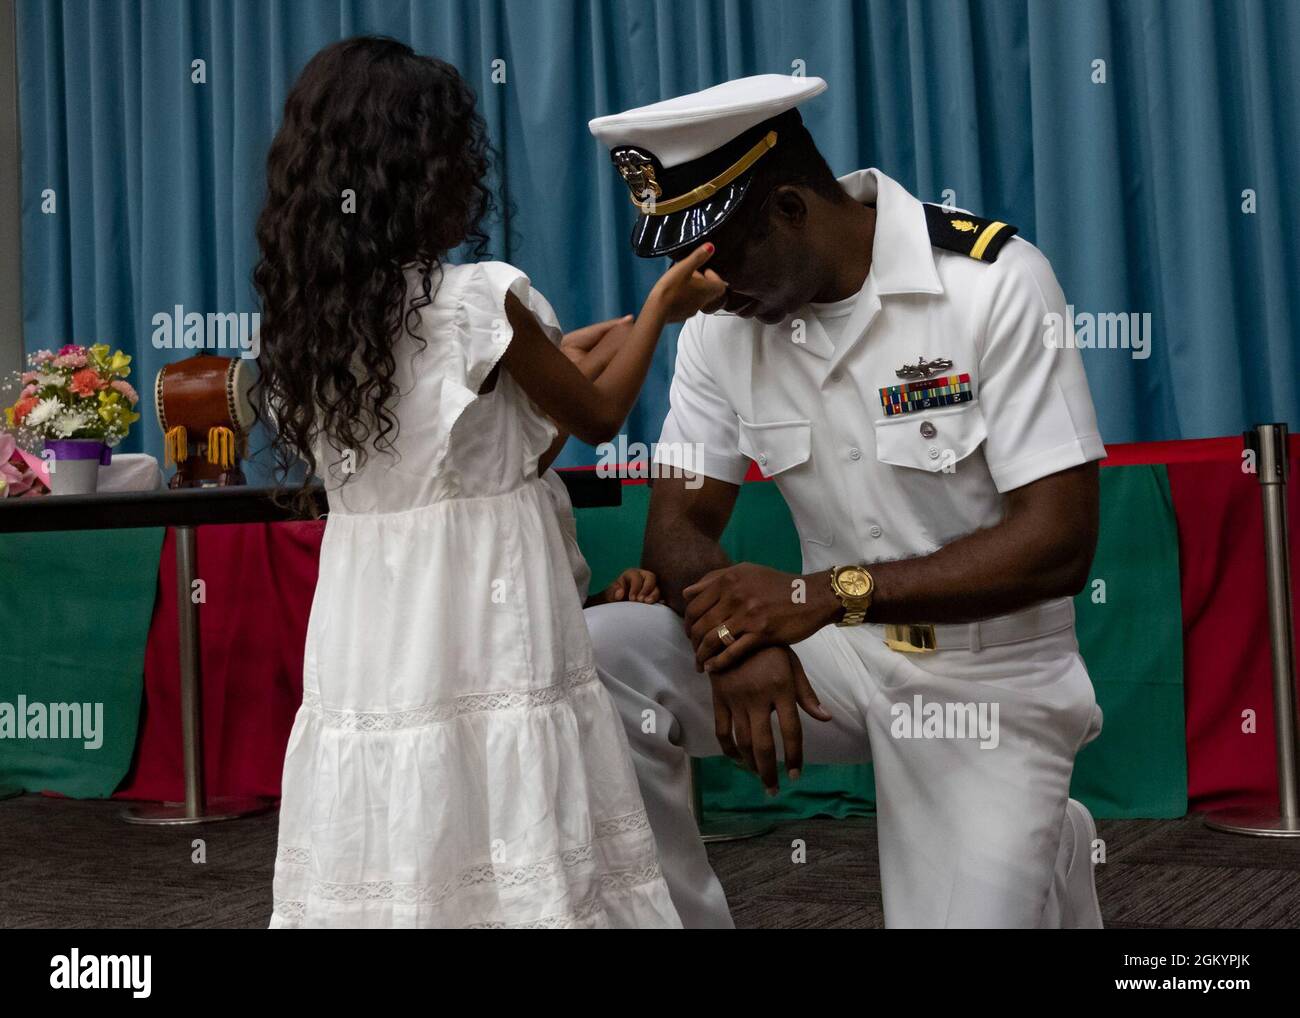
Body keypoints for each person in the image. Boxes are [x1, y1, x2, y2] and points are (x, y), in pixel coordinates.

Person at [586, 74, 1107, 928]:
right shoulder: (721, 331)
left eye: (721, 258)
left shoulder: (992, 281)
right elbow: (676, 525)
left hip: (989, 678)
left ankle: (1030, 838)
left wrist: (819, 595)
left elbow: (1059, 542)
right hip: (835, 653)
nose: (710, 290)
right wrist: (733, 642)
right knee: (597, 656)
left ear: (789, 207)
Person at [253, 36, 724, 928]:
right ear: (421, 170)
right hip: (491, 609)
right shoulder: (480, 298)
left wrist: (562, 358)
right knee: (512, 804)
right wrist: (661, 309)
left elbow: (481, 454)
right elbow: (594, 420)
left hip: (377, 622)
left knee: (411, 810)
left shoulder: (312, 321)